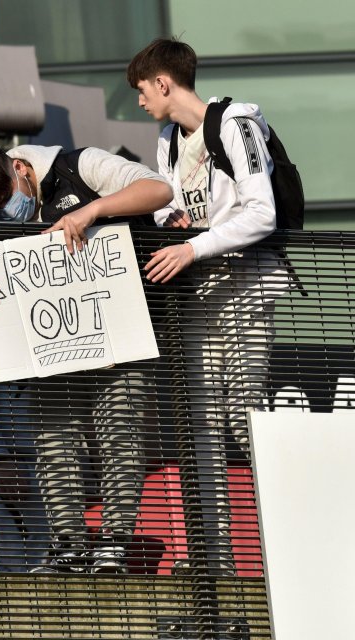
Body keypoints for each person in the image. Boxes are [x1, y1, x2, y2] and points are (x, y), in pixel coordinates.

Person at [0, 142, 171, 573]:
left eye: (7, 198)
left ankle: (113, 542)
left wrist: (90, 213)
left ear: (20, 168)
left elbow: (158, 189)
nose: (6, 210)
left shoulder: (79, 165)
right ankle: (68, 543)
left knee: (119, 431)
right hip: (54, 345)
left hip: (118, 334)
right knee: (53, 440)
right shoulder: (4, 222)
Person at [127, 38, 288, 574]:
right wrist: (169, 224)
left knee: (245, 417)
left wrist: (193, 245)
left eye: (142, 91)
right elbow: (165, 207)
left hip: (245, 290)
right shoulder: (167, 141)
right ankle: (212, 560)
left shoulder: (234, 121)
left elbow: (261, 213)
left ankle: (289, 540)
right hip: (199, 294)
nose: (141, 102)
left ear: (163, 83)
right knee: (199, 428)